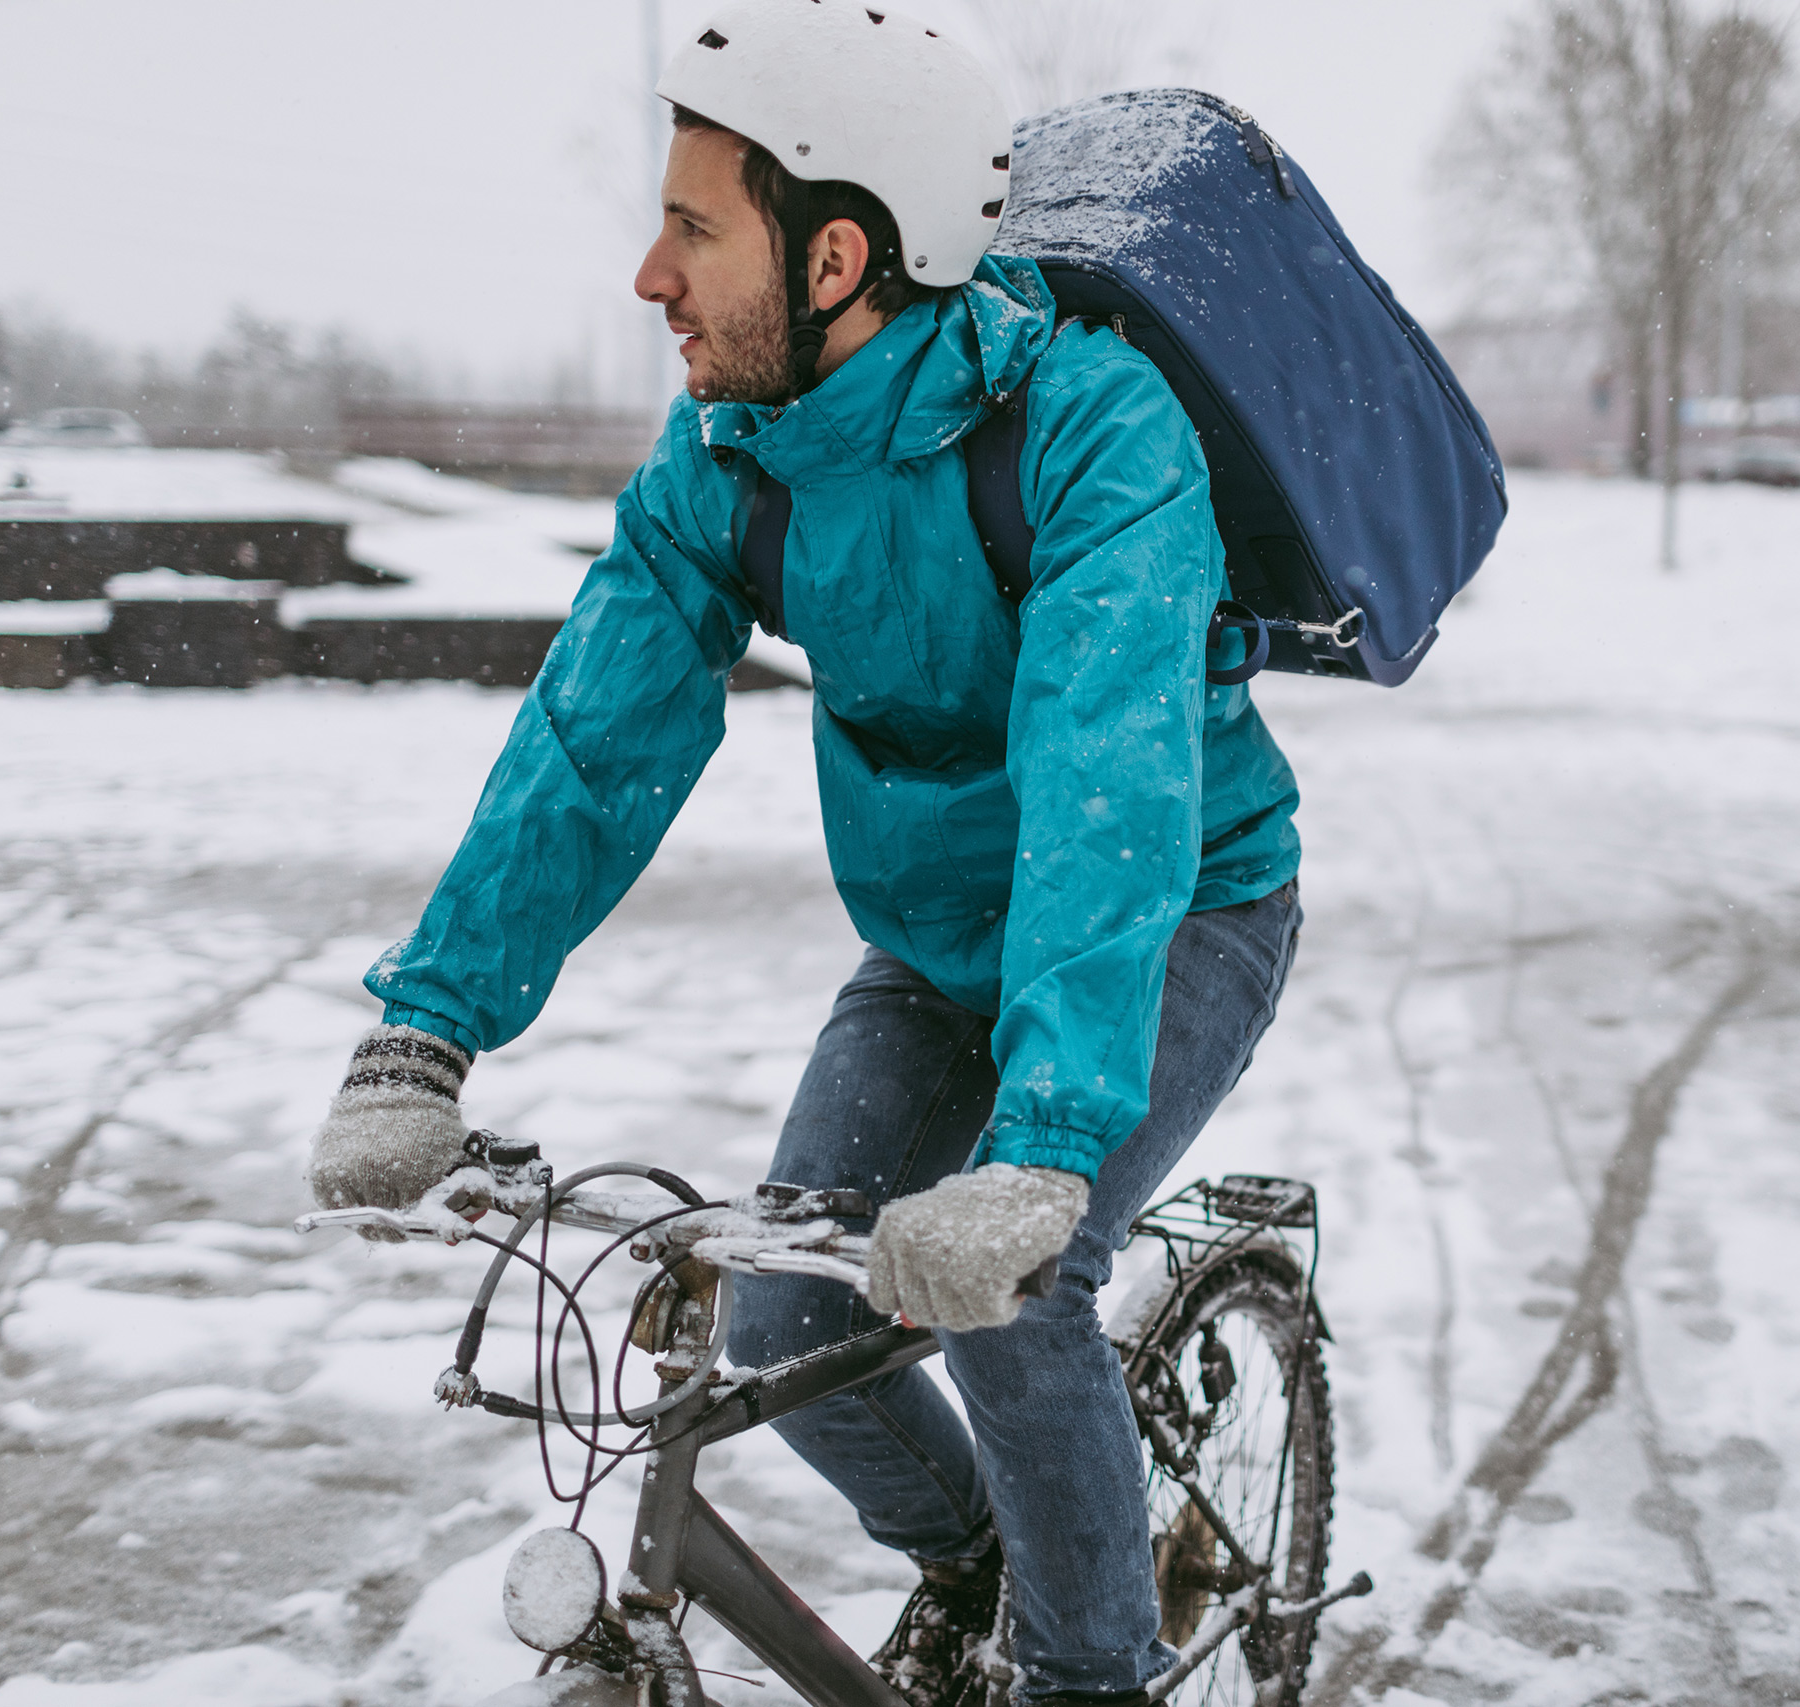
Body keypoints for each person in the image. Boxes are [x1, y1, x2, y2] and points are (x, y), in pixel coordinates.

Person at [301, 3, 1303, 1703]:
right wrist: (428, 1032)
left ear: (838, 255)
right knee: (785, 1322)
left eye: (695, 228)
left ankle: (1089, 1673)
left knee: (1019, 1295)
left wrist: (1045, 1146)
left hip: (1176, 911)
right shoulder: (729, 461)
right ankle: (1001, 1563)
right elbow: (590, 746)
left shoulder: (1091, 431)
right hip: (932, 944)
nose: (649, 275)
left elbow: (1101, 790)